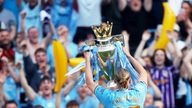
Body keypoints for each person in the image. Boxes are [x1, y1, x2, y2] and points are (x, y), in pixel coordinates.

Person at [83, 36, 148, 107]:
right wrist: (129, 56)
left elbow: (90, 83)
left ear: (114, 81)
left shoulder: (109, 97)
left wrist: (87, 58)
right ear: (130, 80)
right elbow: (143, 73)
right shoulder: (138, 93)